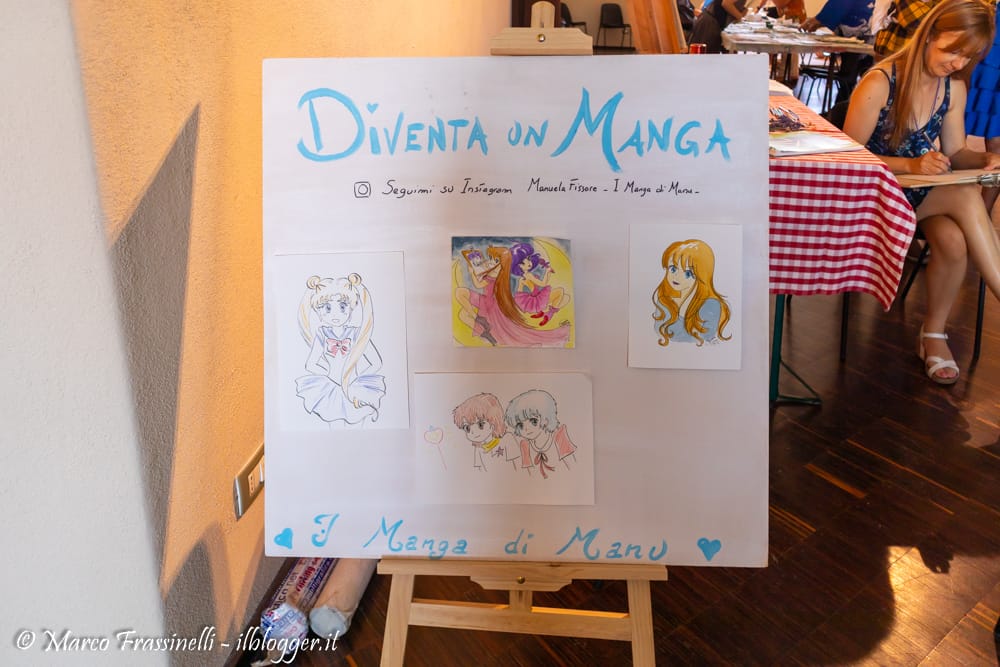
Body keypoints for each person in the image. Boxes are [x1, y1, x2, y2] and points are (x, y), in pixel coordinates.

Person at [843, 0, 1000, 384]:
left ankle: (933, 333)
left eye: (968, 56)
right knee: (965, 197)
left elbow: (956, 152)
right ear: (928, 35)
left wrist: (985, 160)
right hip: (872, 198)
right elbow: (848, 160)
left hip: (917, 196)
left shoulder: (952, 87)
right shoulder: (880, 82)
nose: (957, 63)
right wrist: (911, 166)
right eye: (951, 50)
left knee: (953, 240)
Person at [296, 273, 384, 424]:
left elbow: (376, 362)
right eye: (328, 308)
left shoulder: (356, 334)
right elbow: (310, 365)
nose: (335, 314)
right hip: (330, 389)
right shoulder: (322, 334)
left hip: (354, 388)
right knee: (333, 425)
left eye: (342, 307)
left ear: (351, 308)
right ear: (318, 311)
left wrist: (356, 379)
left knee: (358, 425)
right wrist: (327, 374)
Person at [652, 239, 733, 347]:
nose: (677, 277)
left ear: (701, 276)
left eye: (688, 273)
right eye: (673, 269)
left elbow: (705, 338)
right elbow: (658, 331)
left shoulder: (711, 305)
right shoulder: (664, 300)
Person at [800, 0, 877, 103]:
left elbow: (841, 3)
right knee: (854, 76)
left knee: (852, 77)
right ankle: (844, 106)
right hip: (859, 28)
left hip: (862, 30)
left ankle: (844, 107)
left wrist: (819, 20)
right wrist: (819, 20)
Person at [504, 390, 577, 478]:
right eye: (520, 425)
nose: (526, 429)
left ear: (546, 419)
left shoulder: (559, 436)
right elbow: (528, 474)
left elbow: (573, 467)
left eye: (533, 421)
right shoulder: (525, 445)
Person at [452, 393, 516, 471]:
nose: (473, 432)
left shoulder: (507, 439)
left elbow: (515, 466)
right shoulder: (479, 450)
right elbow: (479, 471)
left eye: (480, 425)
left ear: (494, 420)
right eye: (467, 428)